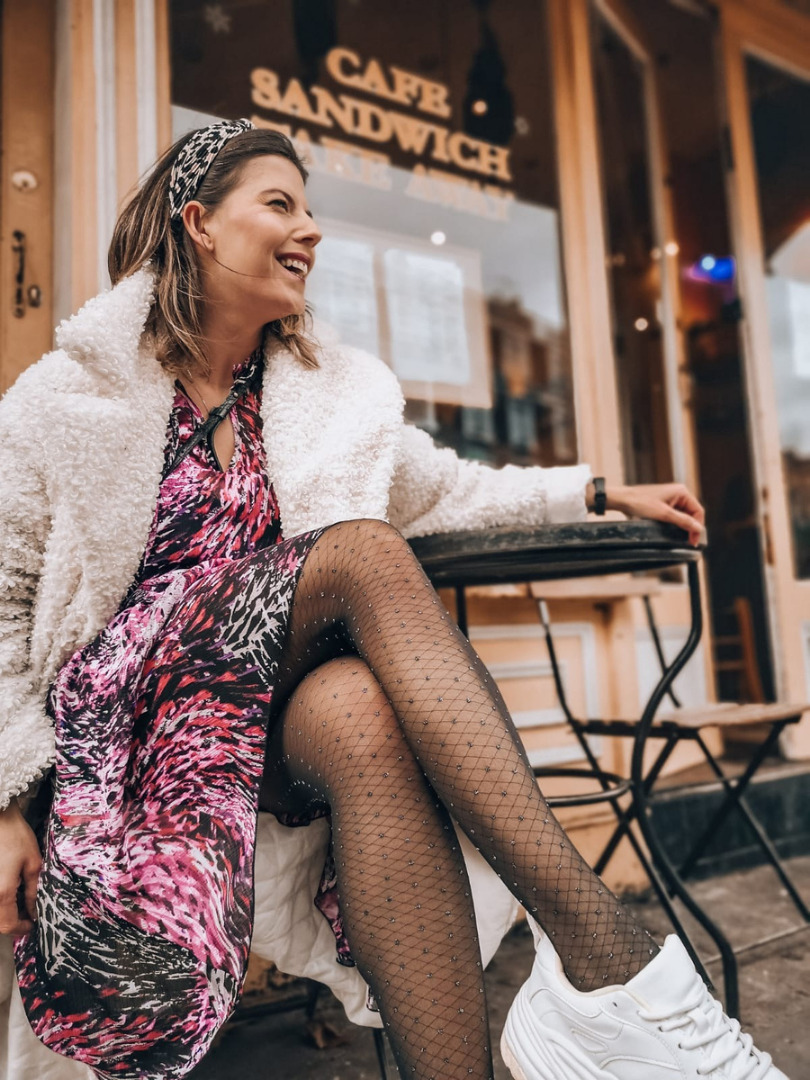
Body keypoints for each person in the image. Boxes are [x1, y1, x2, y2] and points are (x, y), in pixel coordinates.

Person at [0, 119, 785, 1080]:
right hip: (127, 716)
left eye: (311, 209)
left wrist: (593, 491)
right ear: (199, 224)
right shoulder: (67, 399)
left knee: (360, 710)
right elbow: (1, 600)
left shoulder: (320, 395)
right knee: (365, 553)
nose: (311, 229)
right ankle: (609, 960)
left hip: (249, 715)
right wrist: (4, 799)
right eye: (280, 204)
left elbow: (450, 488)